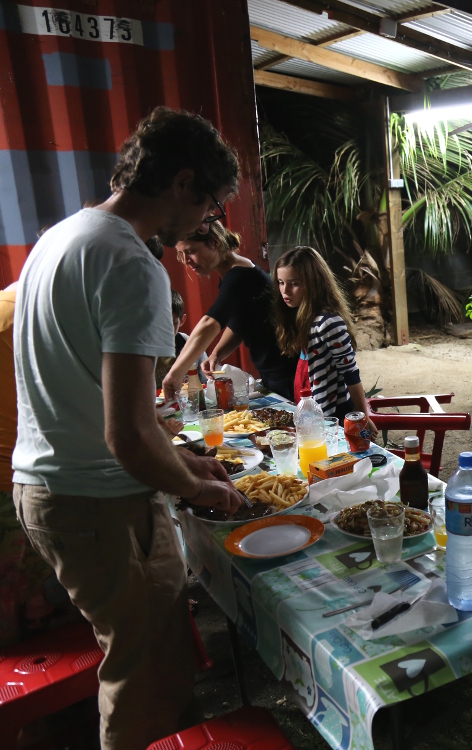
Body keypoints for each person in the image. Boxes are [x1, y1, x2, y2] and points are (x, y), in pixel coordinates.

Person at [12, 107, 245, 750]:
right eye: (211, 205)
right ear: (182, 183)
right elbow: (129, 438)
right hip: (99, 504)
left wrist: (182, 460)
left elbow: (94, 402)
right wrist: (202, 490)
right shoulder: (131, 262)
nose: (208, 222)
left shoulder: (59, 238)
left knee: (146, 658)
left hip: (52, 489)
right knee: (146, 678)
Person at [0, 281, 79, 646]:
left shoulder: (15, 302)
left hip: (22, 469)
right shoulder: (37, 315)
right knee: (37, 603)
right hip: (20, 477)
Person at [161, 222, 297, 401]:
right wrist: (216, 355)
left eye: (190, 251)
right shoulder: (233, 273)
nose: (186, 260)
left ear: (215, 243)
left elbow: (210, 322)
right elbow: (241, 321)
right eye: (181, 254)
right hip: (275, 374)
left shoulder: (239, 276)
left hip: (289, 375)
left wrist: (175, 374)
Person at [273, 246, 377, 427]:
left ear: (313, 283)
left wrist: (363, 418)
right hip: (311, 414)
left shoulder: (328, 322)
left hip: (334, 416)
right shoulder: (302, 317)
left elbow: (351, 374)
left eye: (294, 283)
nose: (285, 290)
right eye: (281, 282)